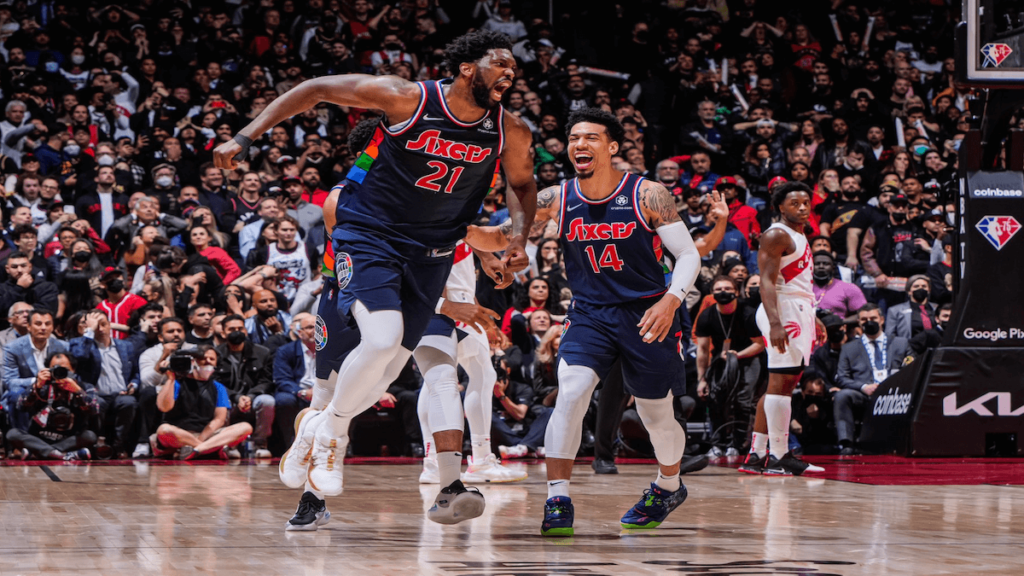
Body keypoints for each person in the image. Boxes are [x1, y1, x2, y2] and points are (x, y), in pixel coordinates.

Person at [230, 30, 538, 531]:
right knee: (385, 355)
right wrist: (245, 136)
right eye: (499, 63)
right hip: (360, 267)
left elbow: (501, 207)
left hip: (426, 257)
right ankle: (329, 472)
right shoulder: (405, 105)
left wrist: (515, 243)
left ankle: (325, 434)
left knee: (386, 373)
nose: (510, 72)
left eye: (514, 67)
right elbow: (317, 88)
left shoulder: (507, 131)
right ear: (466, 67)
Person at [469, 108, 702, 536]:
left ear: (612, 147)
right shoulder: (556, 198)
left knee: (656, 415)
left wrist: (671, 301)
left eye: (591, 138)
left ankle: (669, 485)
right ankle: (558, 497)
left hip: (647, 312)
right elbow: (501, 234)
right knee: (571, 394)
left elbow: (688, 254)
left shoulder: (648, 194)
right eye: (574, 137)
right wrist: (451, 228)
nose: (580, 144)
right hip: (590, 314)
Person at [416, 241, 527, 485]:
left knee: (436, 379)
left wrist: (474, 301)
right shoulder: (438, 211)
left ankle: (433, 461)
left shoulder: (454, 217)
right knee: (479, 374)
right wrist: (447, 304)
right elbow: (435, 260)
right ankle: (480, 459)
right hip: (449, 303)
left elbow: (465, 246)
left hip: (453, 299)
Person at [740, 182, 826, 476]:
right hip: (783, 310)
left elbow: (799, 282)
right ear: (780, 207)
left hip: (797, 307)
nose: (802, 207)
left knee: (782, 382)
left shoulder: (800, 235)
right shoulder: (777, 234)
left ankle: (756, 455)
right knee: (782, 382)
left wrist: (813, 317)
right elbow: (766, 281)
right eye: (794, 203)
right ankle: (779, 456)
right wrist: (776, 323)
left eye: (806, 202)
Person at [695, 276, 764, 457]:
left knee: (742, 401)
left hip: (747, 358)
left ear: (735, 291)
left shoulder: (748, 313)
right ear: (712, 293)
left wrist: (737, 355)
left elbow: (759, 344)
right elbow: (702, 350)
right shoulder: (707, 315)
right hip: (721, 360)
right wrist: (702, 379)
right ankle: (717, 444)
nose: (723, 292)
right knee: (715, 398)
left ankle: (737, 444)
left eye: (727, 288)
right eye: (718, 289)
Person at [153, 346, 253, 460]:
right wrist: (170, 379)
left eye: (212, 359)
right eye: (204, 358)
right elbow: (163, 408)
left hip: (208, 436)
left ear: (216, 364)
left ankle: (196, 450)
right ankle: (211, 451)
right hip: (181, 435)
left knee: (245, 427)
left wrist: (201, 440)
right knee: (164, 430)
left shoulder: (218, 387)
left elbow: (219, 420)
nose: (208, 361)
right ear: (193, 361)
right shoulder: (177, 382)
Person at [834, 304, 909, 454]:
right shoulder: (848, 348)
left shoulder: (901, 343)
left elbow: (911, 369)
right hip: (865, 393)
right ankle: (846, 443)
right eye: (864, 319)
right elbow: (842, 377)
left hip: (895, 393)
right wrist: (863, 387)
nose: (869, 322)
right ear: (859, 323)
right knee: (842, 396)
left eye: (873, 318)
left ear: (881, 320)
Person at [69, 310, 140, 458]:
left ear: (110, 325)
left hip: (120, 394)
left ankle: (118, 446)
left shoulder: (125, 346)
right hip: (96, 394)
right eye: (96, 326)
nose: (100, 329)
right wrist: (89, 331)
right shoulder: (80, 344)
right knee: (96, 403)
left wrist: (134, 384)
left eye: (103, 324)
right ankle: (98, 445)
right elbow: (80, 355)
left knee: (129, 402)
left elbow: (135, 373)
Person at [7, 352, 99, 460]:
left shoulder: (84, 387)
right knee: (12, 434)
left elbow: (94, 410)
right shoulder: (42, 386)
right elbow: (21, 406)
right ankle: (63, 455)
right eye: (55, 369)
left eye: (64, 369)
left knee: (90, 436)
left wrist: (78, 391)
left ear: (73, 370)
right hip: (39, 438)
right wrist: (36, 387)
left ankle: (40, 453)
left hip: (69, 439)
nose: (59, 373)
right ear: (48, 370)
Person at [214, 314, 275, 459]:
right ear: (223, 333)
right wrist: (236, 397)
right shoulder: (215, 354)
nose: (237, 332)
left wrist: (250, 396)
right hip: (230, 399)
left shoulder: (262, 352)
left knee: (267, 401)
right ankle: (229, 444)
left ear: (246, 331)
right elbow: (214, 383)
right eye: (231, 329)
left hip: (253, 398)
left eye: (240, 328)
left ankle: (261, 443)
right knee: (222, 401)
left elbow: (266, 381)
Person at [2, 309, 70, 418]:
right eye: (38, 324)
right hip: (27, 390)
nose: (43, 328)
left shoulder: (64, 346)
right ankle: (21, 433)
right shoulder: (13, 348)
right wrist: (36, 380)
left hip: (56, 389)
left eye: (47, 324)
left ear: (52, 327)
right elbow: (9, 381)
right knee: (15, 393)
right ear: (28, 326)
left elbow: (71, 373)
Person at [884, 275, 937, 340]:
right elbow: (890, 335)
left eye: (924, 286)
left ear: (929, 290)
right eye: (916, 286)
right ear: (909, 291)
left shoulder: (936, 308)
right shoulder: (895, 311)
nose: (920, 288)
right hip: (908, 347)